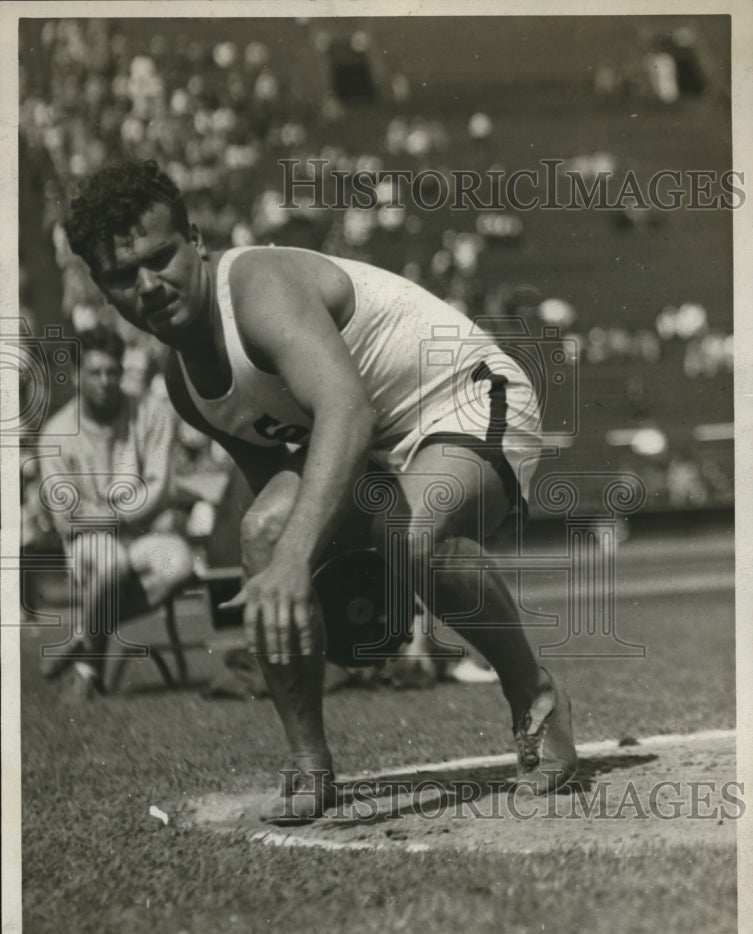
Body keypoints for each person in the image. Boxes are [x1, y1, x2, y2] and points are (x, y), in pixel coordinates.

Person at [63, 159, 577, 819]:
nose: (148, 284)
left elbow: (347, 412)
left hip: (462, 398)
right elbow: (278, 484)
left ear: (195, 240)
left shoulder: (255, 287)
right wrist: (318, 575)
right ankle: (309, 761)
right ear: (101, 287)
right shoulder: (184, 386)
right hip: (376, 441)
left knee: (414, 536)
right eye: (121, 275)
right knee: (263, 533)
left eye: (161, 257)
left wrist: (299, 562)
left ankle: (532, 693)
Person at [38, 324, 195, 698]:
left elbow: (159, 485)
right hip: (87, 547)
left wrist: (110, 510)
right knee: (111, 563)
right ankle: (88, 661)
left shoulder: (150, 412)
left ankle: (83, 641)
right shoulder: (57, 434)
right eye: (95, 372)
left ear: (122, 372)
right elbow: (68, 518)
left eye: (113, 371)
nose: (105, 381)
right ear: (78, 375)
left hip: (140, 538)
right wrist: (122, 510)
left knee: (180, 563)